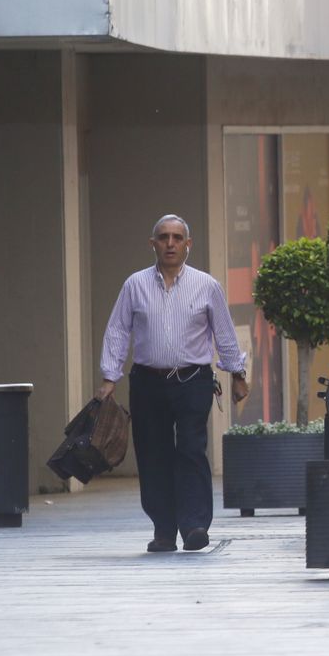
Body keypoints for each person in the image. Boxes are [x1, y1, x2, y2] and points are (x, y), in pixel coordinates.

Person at [98, 214, 249, 553]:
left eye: (177, 238)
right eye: (163, 237)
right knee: (153, 454)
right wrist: (110, 377)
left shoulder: (206, 285)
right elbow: (118, 330)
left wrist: (237, 374)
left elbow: (223, 332)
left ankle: (194, 524)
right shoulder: (134, 285)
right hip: (147, 382)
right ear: (153, 244)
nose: (170, 243)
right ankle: (164, 529)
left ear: (188, 244)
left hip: (192, 380)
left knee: (191, 449)